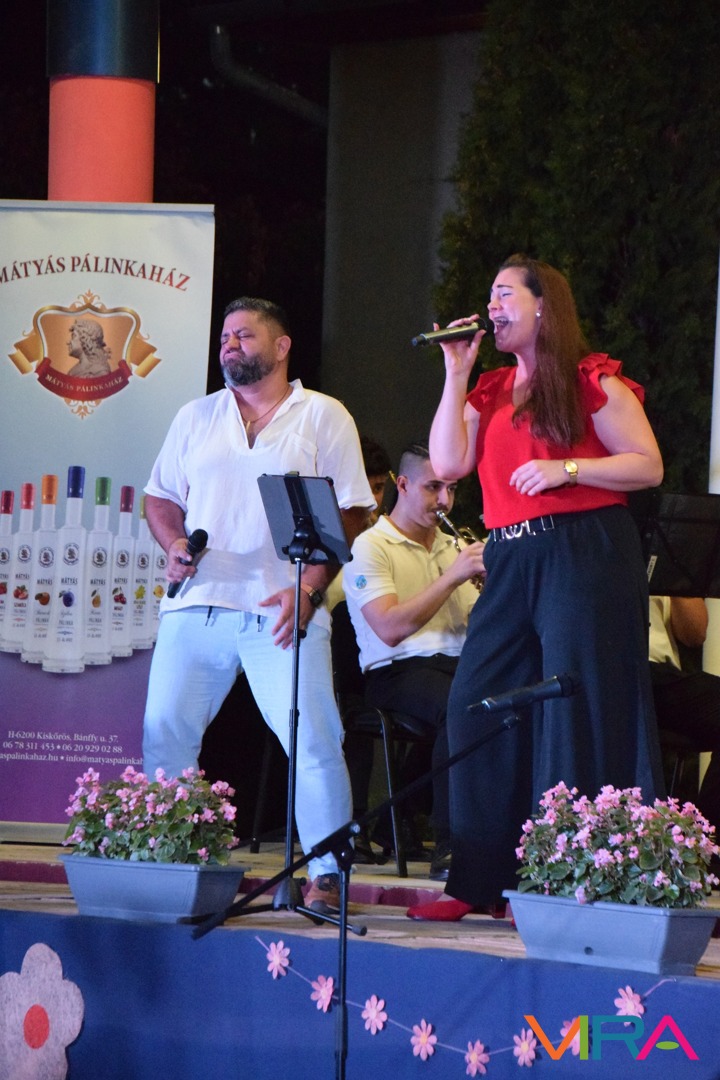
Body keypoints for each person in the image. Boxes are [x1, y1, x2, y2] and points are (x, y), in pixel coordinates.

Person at [408, 253, 665, 921]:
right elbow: (447, 463)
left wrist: (568, 469)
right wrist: (455, 372)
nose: (492, 307)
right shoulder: (490, 389)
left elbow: (648, 465)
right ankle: (480, 879)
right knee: (475, 702)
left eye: (504, 295)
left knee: (575, 705)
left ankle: (578, 872)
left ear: (543, 305)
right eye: (490, 295)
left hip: (583, 549)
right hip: (511, 555)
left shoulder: (589, 381)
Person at [142, 297, 375, 914]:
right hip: (197, 603)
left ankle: (327, 876)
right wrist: (173, 544)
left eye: (244, 335)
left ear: (282, 346)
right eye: (225, 336)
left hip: (285, 607)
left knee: (314, 740)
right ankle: (169, 863)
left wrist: (310, 588)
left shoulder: (322, 414)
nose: (230, 345)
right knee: (165, 734)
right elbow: (160, 498)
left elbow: (353, 511)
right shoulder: (196, 415)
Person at [343, 441, 484, 879]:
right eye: (433, 487)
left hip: (457, 665)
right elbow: (389, 628)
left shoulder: (452, 546)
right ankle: (451, 844)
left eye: (452, 489)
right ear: (402, 485)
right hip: (397, 669)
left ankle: (498, 836)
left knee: (513, 700)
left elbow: (476, 625)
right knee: (461, 706)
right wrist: (454, 576)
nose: (445, 500)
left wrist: (496, 589)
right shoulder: (369, 546)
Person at [649, 594, 720, 830]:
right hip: (611, 667)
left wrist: (676, 581)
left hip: (661, 675)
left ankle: (705, 836)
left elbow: (695, 634)